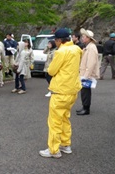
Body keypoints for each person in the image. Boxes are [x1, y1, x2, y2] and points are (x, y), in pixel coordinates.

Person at [39, 28, 82, 159]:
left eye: (55, 40)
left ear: (59, 40)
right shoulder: (77, 49)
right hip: (72, 89)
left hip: (60, 90)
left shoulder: (61, 51)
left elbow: (51, 70)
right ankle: (65, 144)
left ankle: (53, 149)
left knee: (55, 121)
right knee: (65, 118)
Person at [77, 29, 100, 116]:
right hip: (84, 73)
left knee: (85, 91)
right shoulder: (88, 46)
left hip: (86, 74)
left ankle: (86, 108)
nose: (82, 38)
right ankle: (84, 107)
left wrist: (85, 76)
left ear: (88, 38)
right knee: (84, 91)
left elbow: (91, 63)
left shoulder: (91, 47)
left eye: (84, 37)